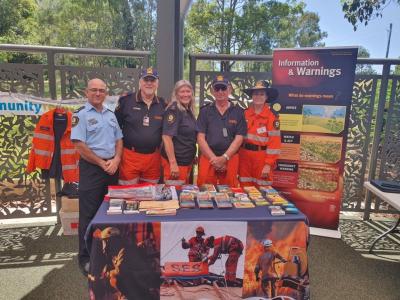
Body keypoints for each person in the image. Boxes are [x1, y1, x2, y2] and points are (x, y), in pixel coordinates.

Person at [71, 78, 123, 276]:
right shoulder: (81, 115)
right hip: (93, 169)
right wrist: (101, 163)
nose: (98, 93)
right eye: (94, 90)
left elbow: (119, 139)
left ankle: (107, 254)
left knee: (110, 212)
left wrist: (117, 159)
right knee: (89, 215)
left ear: (106, 93)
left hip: (111, 168)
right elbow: (79, 145)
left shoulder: (110, 114)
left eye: (102, 90)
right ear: (86, 92)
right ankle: (86, 258)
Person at [115, 67, 166, 185]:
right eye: (145, 80)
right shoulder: (125, 101)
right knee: (128, 194)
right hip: (130, 157)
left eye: (152, 80)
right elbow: (115, 128)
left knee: (150, 195)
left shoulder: (163, 104)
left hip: (153, 158)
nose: (149, 83)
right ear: (140, 82)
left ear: (157, 83)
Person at [197, 75, 247, 187]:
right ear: (212, 91)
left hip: (230, 158)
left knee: (230, 193)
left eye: (223, 88)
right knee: (205, 193)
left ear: (229, 90)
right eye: (217, 88)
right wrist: (214, 160)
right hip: (209, 158)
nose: (220, 92)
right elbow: (200, 138)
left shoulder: (238, 112)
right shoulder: (205, 111)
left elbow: (239, 138)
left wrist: (224, 158)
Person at [239, 80, 281, 187]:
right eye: (255, 94)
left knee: (263, 190)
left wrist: (268, 165)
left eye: (262, 94)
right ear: (252, 96)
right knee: (244, 188)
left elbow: (274, 144)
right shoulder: (244, 114)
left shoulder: (272, 117)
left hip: (262, 158)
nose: (258, 96)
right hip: (244, 157)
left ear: (266, 97)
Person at [161, 80, 197, 189]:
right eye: (182, 92)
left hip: (185, 162)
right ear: (176, 94)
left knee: (184, 197)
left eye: (188, 91)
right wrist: (173, 163)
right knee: (174, 196)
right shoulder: (174, 110)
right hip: (176, 164)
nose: (185, 94)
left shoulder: (188, 110)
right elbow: (166, 137)